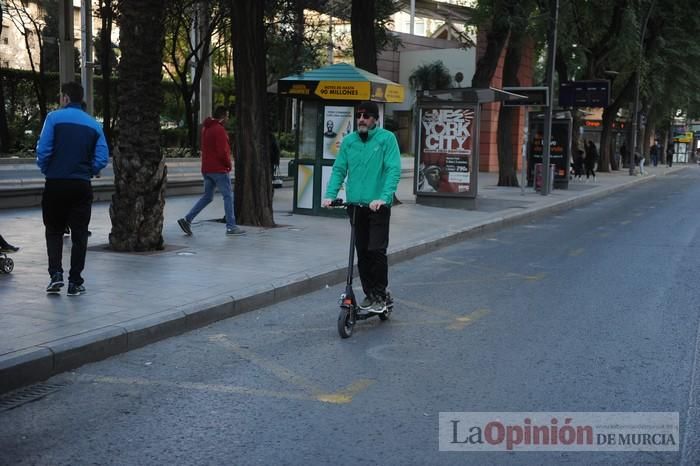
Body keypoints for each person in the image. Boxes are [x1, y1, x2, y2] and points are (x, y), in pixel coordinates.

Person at [322, 101, 401, 313]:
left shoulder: (387, 139)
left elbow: (393, 169)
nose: (361, 119)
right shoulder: (349, 141)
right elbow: (339, 169)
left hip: (378, 206)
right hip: (356, 206)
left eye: (366, 116)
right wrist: (330, 195)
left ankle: (380, 294)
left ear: (375, 119)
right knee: (362, 251)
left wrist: (384, 197)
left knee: (376, 250)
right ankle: (369, 294)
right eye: (359, 116)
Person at [36, 81, 109, 296]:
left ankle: (55, 275)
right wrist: (89, 169)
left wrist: (47, 168)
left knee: (54, 231)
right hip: (80, 185)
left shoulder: (53, 118)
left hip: (55, 183)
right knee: (79, 235)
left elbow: (43, 150)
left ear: (66, 98)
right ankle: (75, 282)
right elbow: (102, 158)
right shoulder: (95, 125)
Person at [177, 106, 245, 237]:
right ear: (223, 116)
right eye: (227, 115)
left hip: (207, 169)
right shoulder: (219, 130)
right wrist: (228, 165)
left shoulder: (206, 128)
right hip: (219, 170)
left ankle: (187, 220)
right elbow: (223, 152)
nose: (228, 118)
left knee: (207, 197)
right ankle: (231, 227)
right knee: (228, 197)